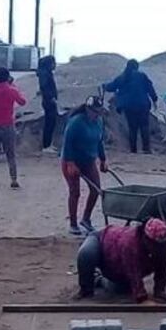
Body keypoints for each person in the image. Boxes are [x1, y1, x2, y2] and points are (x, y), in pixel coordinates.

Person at [76, 218, 166, 303]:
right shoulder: (131, 244)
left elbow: (163, 269)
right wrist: (143, 299)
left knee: (121, 289)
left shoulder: (162, 246)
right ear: (146, 239)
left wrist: (159, 291)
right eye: (154, 244)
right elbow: (134, 273)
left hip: (118, 263)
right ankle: (86, 290)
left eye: (160, 245)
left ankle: (99, 280)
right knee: (86, 254)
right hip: (101, 242)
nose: (158, 248)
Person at [61, 95, 108, 236]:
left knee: (96, 189)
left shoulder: (99, 122)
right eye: (94, 111)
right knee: (75, 192)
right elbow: (67, 143)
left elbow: (99, 142)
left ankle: (86, 219)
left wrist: (103, 159)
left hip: (88, 160)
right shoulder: (76, 122)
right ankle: (73, 223)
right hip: (72, 160)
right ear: (88, 109)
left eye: (99, 112)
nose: (96, 114)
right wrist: (70, 163)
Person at [0, 67, 27, 192]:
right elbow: (22, 101)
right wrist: (14, 87)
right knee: (10, 154)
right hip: (7, 124)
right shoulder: (11, 90)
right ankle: (13, 180)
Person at [104, 59, 159, 154]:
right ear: (136, 66)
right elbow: (150, 88)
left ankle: (133, 150)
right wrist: (154, 100)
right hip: (143, 105)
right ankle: (146, 149)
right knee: (144, 127)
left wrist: (104, 86)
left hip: (129, 107)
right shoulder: (142, 76)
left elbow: (111, 87)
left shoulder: (122, 77)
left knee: (132, 128)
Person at [37, 55, 59, 153]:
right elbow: (45, 88)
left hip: (49, 100)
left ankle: (48, 144)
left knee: (51, 122)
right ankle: (46, 145)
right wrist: (51, 98)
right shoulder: (45, 74)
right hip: (49, 101)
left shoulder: (46, 73)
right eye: (53, 63)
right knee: (49, 123)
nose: (55, 65)